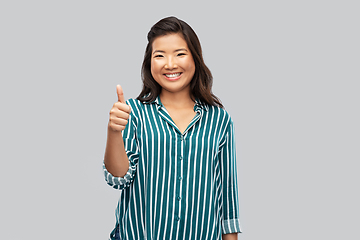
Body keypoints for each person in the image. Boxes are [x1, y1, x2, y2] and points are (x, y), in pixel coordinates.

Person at [103, 16, 242, 240]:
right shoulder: (133, 113)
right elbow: (118, 178)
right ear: (150, 63)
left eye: (180, 53)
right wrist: (113, 131)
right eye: (160, 56)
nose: (170, 64)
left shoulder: (219, 120)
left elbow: (227, 196)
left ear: (195, 59)